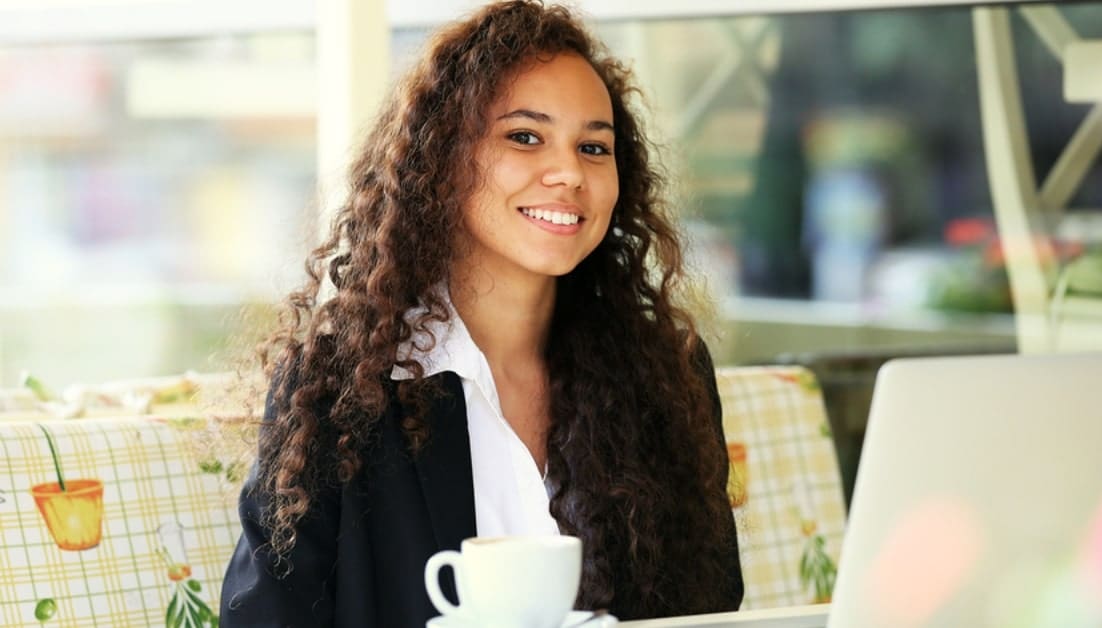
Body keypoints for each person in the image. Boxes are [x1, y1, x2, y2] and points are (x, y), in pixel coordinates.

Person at [220, 1, 743, 625]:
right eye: (525, 136)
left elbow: (711, 610)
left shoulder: (666, 376)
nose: (569, 173)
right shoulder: (336, 390)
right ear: (442, 159)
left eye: (594, 147)